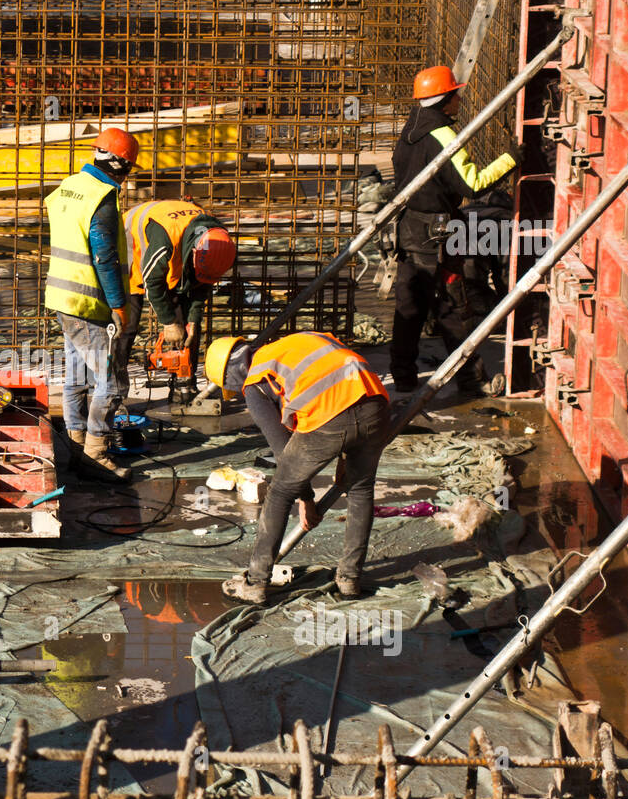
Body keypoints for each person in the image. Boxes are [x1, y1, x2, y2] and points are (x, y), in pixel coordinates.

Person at [205, 332, 390, 602]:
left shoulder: (255, 382)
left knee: (279, 492)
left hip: (331, 413)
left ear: (231, 374)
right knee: (360, 489)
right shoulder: (297, 343)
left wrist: (306, 499)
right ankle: (349, 580)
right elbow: (343, 383)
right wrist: (345, 456)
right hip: (375, 401)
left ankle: (255, 583)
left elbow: (282, 449)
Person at [390, 65, 521, 397]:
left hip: (410, 228)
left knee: (410, 306)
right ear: (445, 99)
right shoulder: (442, 135)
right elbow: (472, 183)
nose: (460, 99)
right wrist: (510, 159)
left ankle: (403, 376)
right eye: (456, 94)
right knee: (453, 306)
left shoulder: (410, 129)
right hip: (438, 234)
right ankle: (471, 379)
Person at [44, 126, 138, 483]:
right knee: (112, 382)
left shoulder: (69, 186)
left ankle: (75, 444)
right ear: (118, 163)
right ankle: (97, 456)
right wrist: (118, 304)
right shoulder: (102, 197)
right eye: (128, 168)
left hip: (62, 296)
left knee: (78, 376)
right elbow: (105, 257)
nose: (127, 177)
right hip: (87, 301)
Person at [116, 199, 237, 403]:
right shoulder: (165, 240)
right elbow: (153, 282)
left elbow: (201, 285)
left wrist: (193, 322)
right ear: (194, 253)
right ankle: (114, 393)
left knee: (186, 325)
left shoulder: (218, 241)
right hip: (128, 251)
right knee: (126, 326)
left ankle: (185, 386)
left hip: (175, 252)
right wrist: (169, 322)